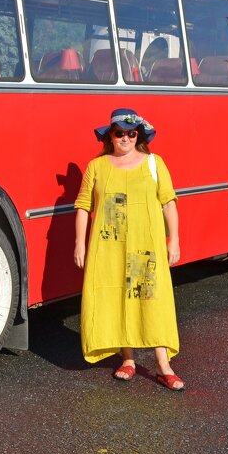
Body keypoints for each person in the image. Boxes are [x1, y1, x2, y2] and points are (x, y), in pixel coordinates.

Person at [73, 107, 184, 391]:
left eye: (131, 133)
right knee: (118, 298)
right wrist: (79, 243)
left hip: (145, 248)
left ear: (139, 135)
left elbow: (168, 203)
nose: (125, 138)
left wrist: (174, 240)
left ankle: (164, 366)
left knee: (151, 301)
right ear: (110, 136)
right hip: (109, 249)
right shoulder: (96, 167)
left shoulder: (154, 163)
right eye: (119, 133)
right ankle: (128, 359)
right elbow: (84, 207)